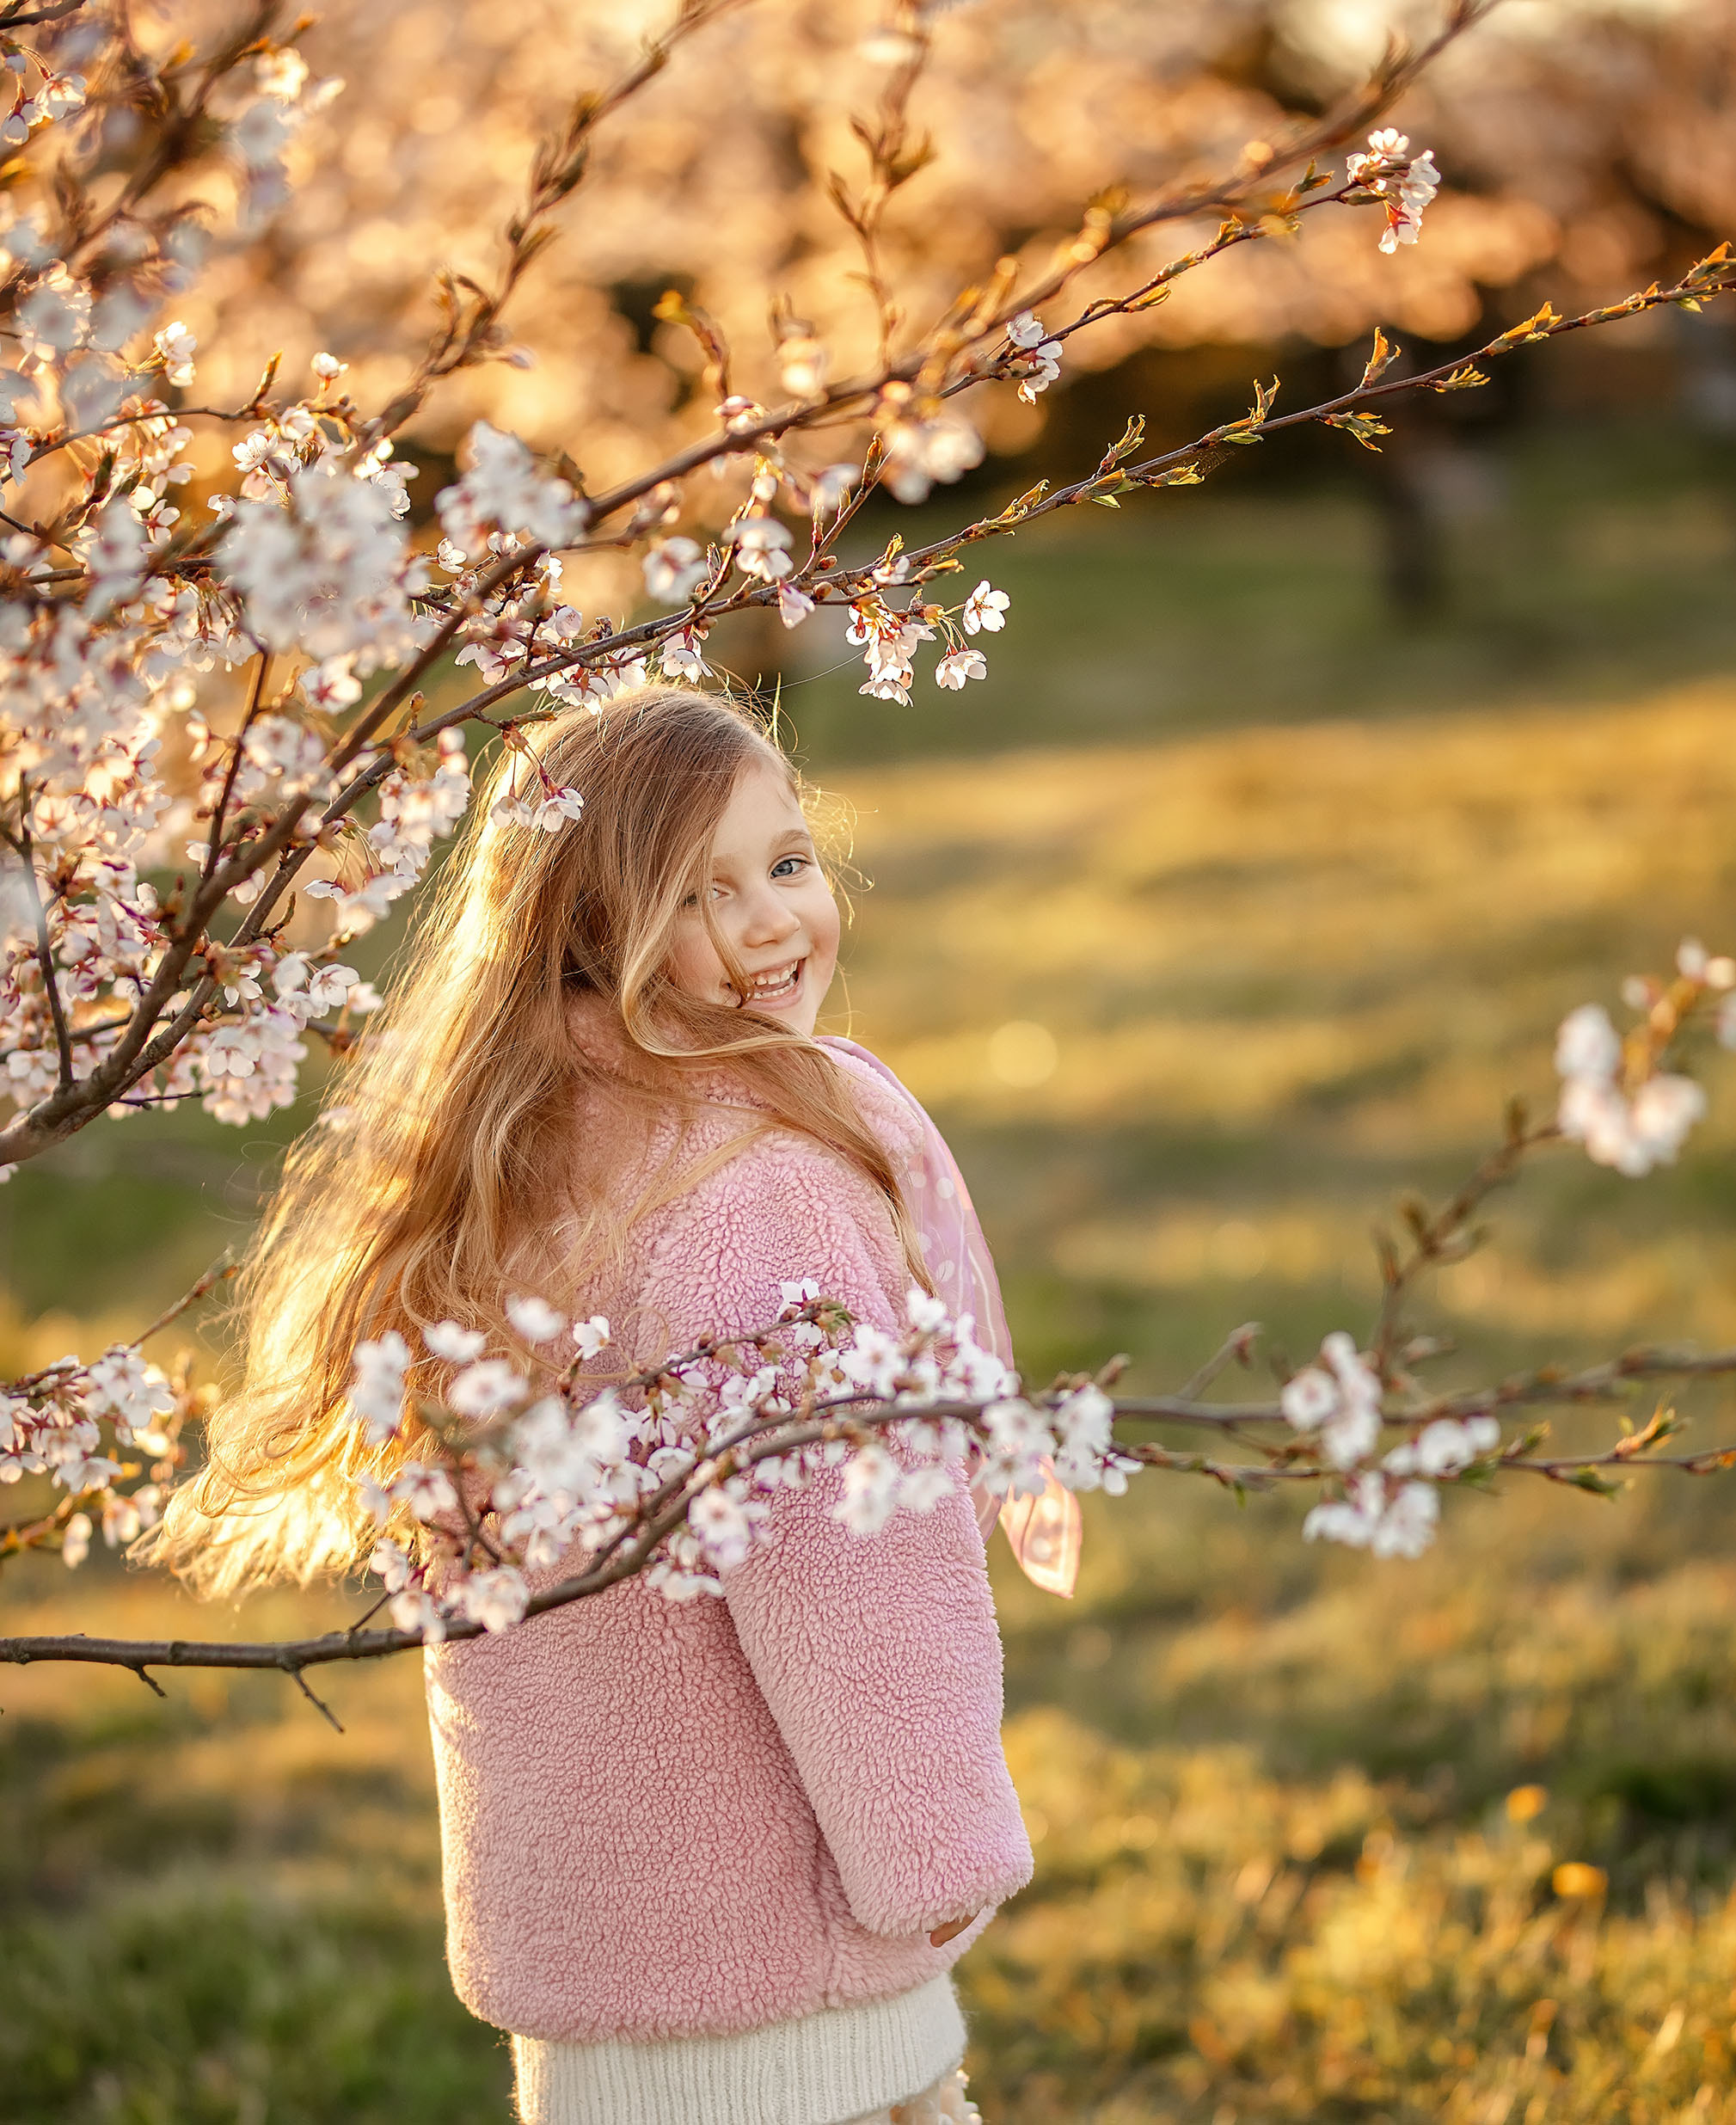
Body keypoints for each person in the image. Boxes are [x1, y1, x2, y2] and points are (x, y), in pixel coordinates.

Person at [155, 686, 1078, 2125]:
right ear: (593, 928)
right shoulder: (761, 1192)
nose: (775, 923)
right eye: (698, 893)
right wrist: (937, 1861)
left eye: (787, 862)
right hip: (792, 1978)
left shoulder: (501, 1162)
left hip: (596, 1974)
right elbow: (849, 1569)